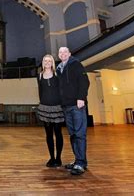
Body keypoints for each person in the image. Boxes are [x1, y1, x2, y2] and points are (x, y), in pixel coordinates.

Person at [56, 47, 90, 175]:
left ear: (69, 54)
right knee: (73, 134)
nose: (63, 54)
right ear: (59, 55)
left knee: (80, 134)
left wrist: (81, 97)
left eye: (65, 52)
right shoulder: (59, 69)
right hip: (66, 106)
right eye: (60, 52)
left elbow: (84, 81)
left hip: (77, 105)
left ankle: (81, 163)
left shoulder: (76, 64)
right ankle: (78, 160)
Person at [37, 54, 64, 168]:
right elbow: (40, 91)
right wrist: (42, 102)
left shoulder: (57, 74)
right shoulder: (39, 75)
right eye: (45, 61)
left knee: (58, 133)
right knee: (48, 134)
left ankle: (58, 158)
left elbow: (62, 89)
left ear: (52, 62)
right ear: (43, 63)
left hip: (57, 107)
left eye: (49, 61)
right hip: (45, 107)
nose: (47, 63)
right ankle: (51, 157)